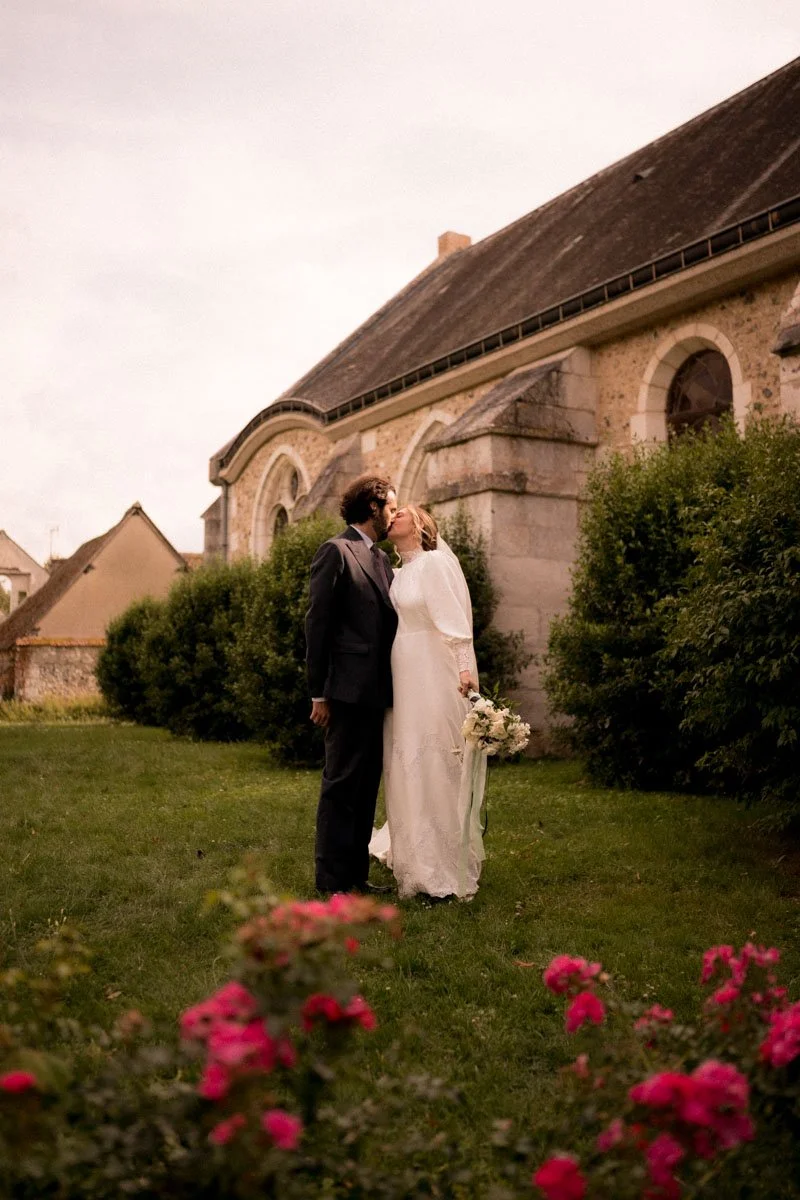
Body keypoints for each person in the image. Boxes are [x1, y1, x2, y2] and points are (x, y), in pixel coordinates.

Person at [369, 505, 486, 900]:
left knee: (434, 759)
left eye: (400, 513)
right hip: (402, 673)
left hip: (432, 671)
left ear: (419, 524)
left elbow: (455, 623)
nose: (392, 517)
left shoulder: (434, 564)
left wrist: (465, 670)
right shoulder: (396, 572)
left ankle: (442, 863)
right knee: (405, 759)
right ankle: (413, 856)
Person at [305, 475, 398, 894]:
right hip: (343, 691)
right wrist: (319, 692)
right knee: (341, 785)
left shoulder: (381, 560)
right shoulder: (336, 551)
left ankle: (356, 877)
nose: (394, 515)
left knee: (365, 788)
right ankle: (331, 880)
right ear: (372, 507)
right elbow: (317, 625)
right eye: (391, 507)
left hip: (378, 693)